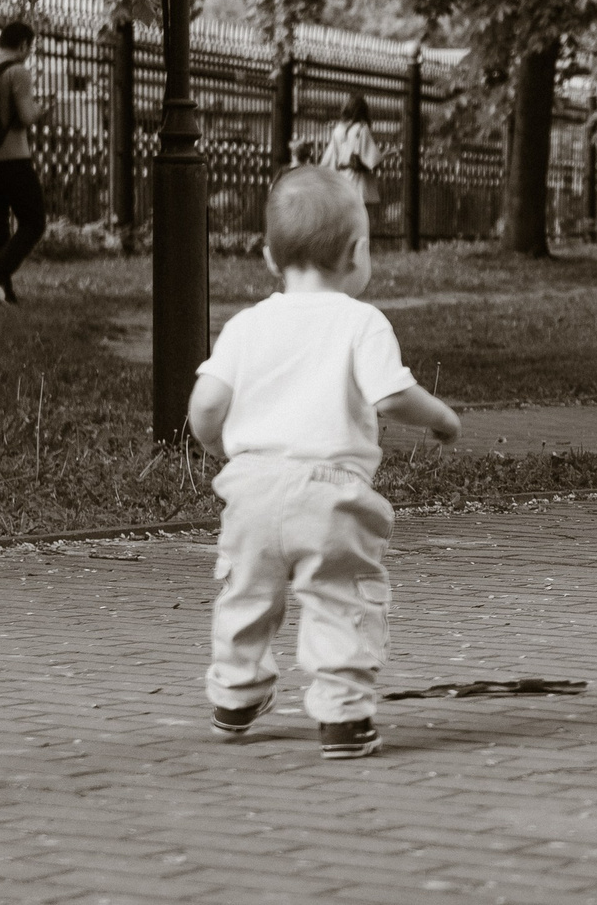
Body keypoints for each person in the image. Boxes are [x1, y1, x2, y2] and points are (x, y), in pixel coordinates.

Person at [188, 166, 462, 758]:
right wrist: (441, 417)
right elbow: (391, 396)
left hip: (252, 489)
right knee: (342, 598)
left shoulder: (246, 325)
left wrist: (217, 446)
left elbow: (207, 402)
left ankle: (235, 694)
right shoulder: (361, 322)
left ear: (267, 257)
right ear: (358, 252)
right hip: (331, 493)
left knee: (245, 594)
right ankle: (342, 716)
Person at [0, 21, 53, 305]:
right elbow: (27, 116)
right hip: (13, 159)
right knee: (34, 221)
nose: (29, 52)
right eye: (30, 47)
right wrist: (44, 109)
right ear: (23, 45)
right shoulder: (18, 71)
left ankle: (1, 291)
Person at [319, 92, 381, 225]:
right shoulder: (361, 129)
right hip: (359, 183)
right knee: (362, 224)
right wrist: (384, 155)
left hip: (342, 181)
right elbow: (372, 160)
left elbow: (329, 160)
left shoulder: (338, 130)